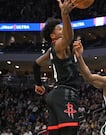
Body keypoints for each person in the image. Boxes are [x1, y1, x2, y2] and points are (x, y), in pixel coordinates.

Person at [32, 0, 80, 134]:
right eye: (59, 28)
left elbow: (36, 64)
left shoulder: (50, 51)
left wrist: (38, 84)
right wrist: (65, 14)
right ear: (53, 36)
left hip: (55, 95)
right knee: (69, 131)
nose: (62, 29)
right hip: (65, 93)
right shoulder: (59, 44)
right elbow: (69, 37)